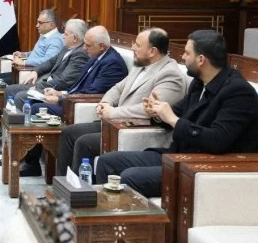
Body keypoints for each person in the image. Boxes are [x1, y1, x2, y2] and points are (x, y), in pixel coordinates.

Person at [95, 30, 258, 198]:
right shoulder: (199, 83)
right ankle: (103, 212)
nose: (183, 57)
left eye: (187, 53)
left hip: (202, 166)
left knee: (130, 177)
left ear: (201, 60)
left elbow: (218, 140)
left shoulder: (238, 92)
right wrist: (156, 112)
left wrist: (173, 119)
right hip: (178, 156)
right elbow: (174, 113)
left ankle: (126, 215)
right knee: (107, 162)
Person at [56, 28, 187, 176]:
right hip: (116, 123)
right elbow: (117, 88)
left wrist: (113, 112)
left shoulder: (170, 74)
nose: (133, 48)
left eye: (138, 45)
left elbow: (151, 109)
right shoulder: (140, 64)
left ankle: (81, 189)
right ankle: (63, 184)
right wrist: (106, 103)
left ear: (152, 51)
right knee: (69, 133)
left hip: (136, 130)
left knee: (84, 143)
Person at [7, 25, 128, 176]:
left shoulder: (112, 63)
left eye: (88, 45)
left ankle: (34, 164)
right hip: (72, 100)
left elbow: (92, 93)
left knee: (36, 108)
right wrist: (60, 92)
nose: (84, 48)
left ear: (102, 46)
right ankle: (31, 160)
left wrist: (60, 99)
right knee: (31, 102)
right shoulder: (96, 56)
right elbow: (79, 85)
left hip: (81, 107)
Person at [0, 19, 88, 142]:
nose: (63, 36)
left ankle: (15, 140)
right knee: (10, 90)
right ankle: (5, 135)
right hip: (46, 84)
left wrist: (40, 86)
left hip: (54, 90)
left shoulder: (80, 54)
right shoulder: (66, 48)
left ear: (74, 38)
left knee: (20, 96)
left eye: (65, 34)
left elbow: (64, 81)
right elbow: (50, 62)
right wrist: (36, 71)